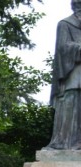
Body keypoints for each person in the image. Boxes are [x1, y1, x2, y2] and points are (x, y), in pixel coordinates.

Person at [44, 0, 81, 150]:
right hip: (72, 74)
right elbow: (63, 47)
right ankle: (65, 142)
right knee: (70, 106)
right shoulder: (65, 24)